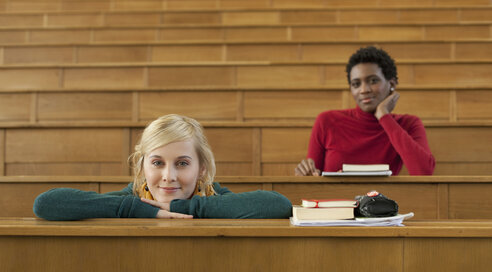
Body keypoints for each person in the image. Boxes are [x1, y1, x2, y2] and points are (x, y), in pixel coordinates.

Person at [34, 114, 292, 220]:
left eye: (182, 163)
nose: (168, 177)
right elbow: (46, 204)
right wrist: (137, 209)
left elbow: (278, 205)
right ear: (142, 165)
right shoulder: (134, 198)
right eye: (157, 163)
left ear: (202, 168)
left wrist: (185, 207)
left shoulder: (214, 198)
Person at [295, 46, 435, 176]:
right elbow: (313, 179)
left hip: (383, 202)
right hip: (336, 202)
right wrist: (305, 174)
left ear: (391, 84)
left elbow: (424, 172)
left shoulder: (408, 124)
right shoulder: (326, 121)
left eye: (373, 81)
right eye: (356, 84)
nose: (364, 90)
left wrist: (384, 116)